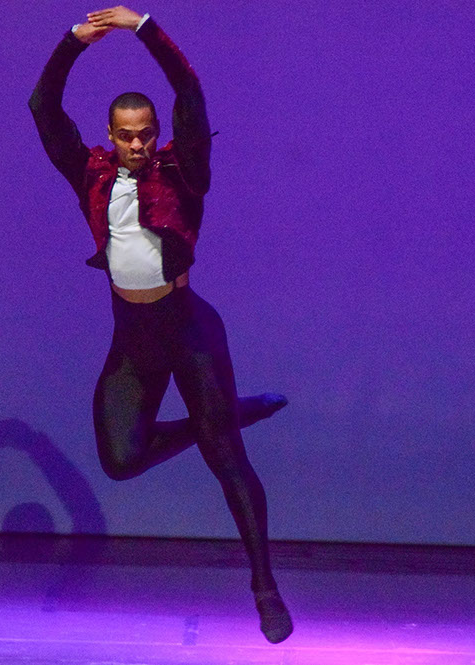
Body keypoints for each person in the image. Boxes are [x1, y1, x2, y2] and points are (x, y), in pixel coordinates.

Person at [28, 5, 293, 644]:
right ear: (111, 135)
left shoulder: (183, 169)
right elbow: (43, 107)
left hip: (188, 330)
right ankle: (226, 416)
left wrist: (143, 26)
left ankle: (265, 586)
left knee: (227, 459)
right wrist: (73, 43)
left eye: (146, 133)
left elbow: (189, 91)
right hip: (133, 338)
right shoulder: (91, 174)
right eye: (127, 135)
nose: (138, 144)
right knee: (121, 461)